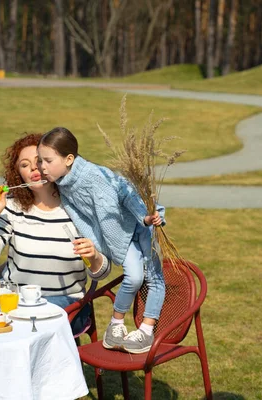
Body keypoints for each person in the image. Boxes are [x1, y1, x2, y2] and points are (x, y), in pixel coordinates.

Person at [38, 127, 166, 354]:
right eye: (40, 161)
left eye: (47, 160)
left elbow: (126, 192)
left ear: (69, 160)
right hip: (122, 236)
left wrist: (145, 216)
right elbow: (81, 218)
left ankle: (146, 330)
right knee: (135, 277)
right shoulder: (63, 184)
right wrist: (97, 242)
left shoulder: (93, 176)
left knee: (154, 277)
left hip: (139, 224)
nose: (42, 166)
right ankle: (116, 325)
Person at [0, 133, 111, 333]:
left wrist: (94, 256)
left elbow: (103, 272)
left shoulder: (79, 208)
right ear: (18, 174)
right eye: (24, 165)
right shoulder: (12, 208)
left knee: (31, 323)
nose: (33, 168)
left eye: (38, 161)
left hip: (68, 306)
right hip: (15, 303)